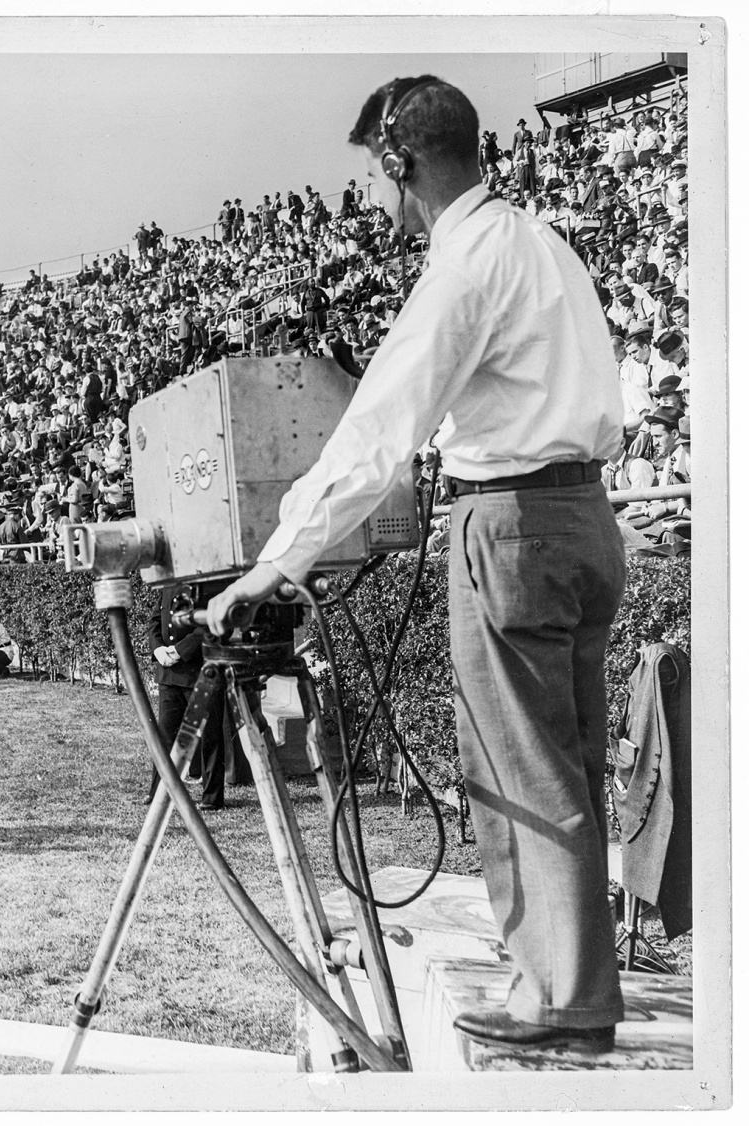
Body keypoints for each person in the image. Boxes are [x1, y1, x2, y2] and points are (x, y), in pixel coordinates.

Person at [207, 76, 626, 1054]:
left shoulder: (463, 265)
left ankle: (560, 997)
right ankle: (571, 980)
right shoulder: (542, 242)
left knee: (518, 764)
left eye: (377, 175)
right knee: (566, 758)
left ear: (401, 162)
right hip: (582, 514)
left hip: (510, 522)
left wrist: (274, 563)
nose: (377, 199)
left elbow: (374, 435)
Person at [145, 584, 225, 810]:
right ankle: (159, 793)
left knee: (209, 736)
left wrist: (180, 651)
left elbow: (212, 624)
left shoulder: (207, 583)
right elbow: (154, 621)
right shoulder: (168, 584)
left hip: (200, 672)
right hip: (169, 674)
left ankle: (212, 797)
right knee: (165, 737)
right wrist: (158, 649)